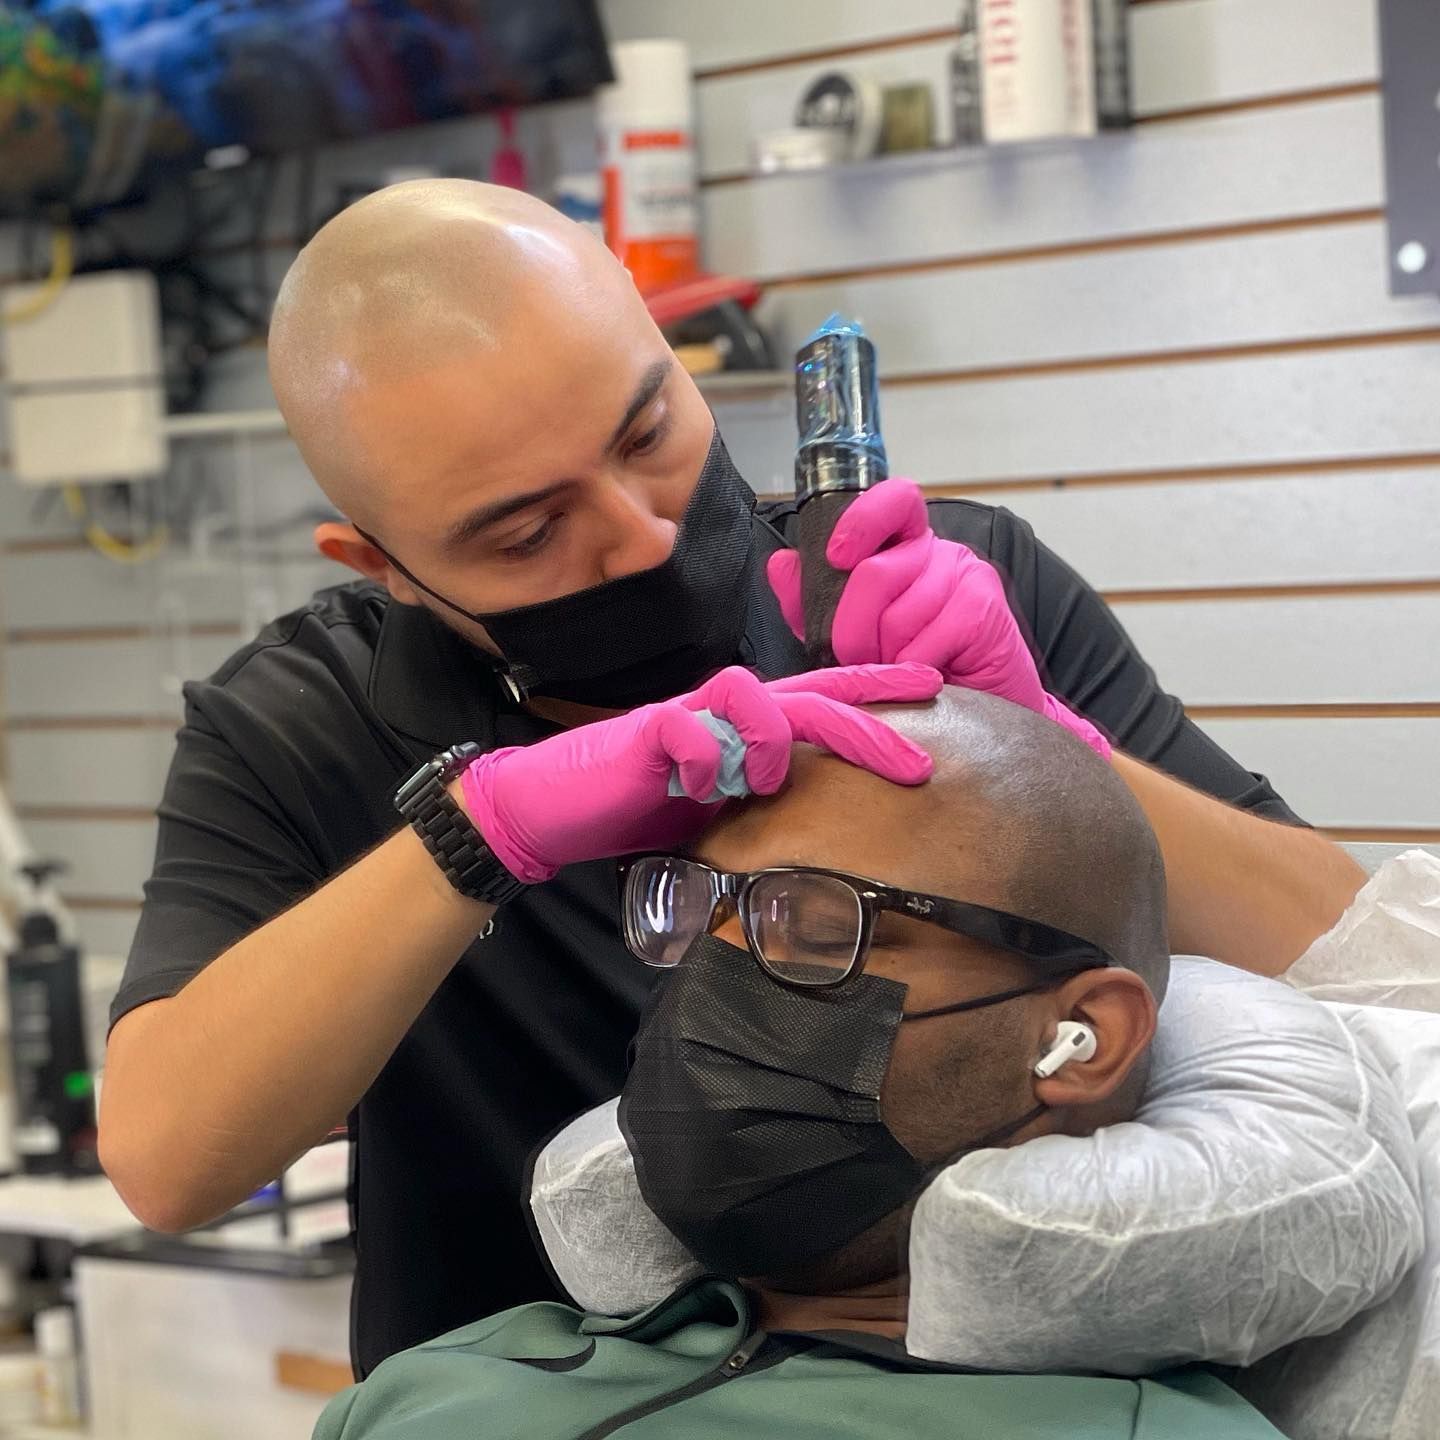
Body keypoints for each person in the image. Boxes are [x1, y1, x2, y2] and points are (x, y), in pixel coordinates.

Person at [97, 178, 1366, 1375]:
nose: (642, 528)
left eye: (646, 430)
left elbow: (1354, 962)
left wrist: (1036, 737)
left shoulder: (957, 580)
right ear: (380, 563)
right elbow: (167, 1161)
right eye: (529, 531)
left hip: (994, 1392)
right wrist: (474, 834)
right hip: (528, 1396)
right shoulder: (302, 722)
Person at [309, 688, 1283, 1439]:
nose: (714, 978)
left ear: (1081, 1037)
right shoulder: (429, 1390)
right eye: (696, 910)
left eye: (818, 924)